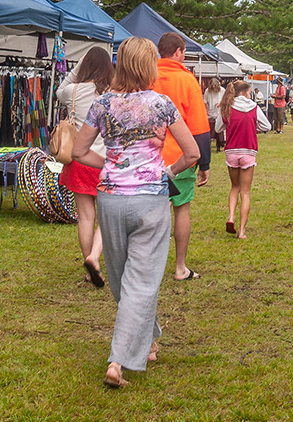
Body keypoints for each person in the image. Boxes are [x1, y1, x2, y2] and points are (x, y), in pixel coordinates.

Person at [73, 37, 200, 388]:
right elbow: (191, 153)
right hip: (150, 200)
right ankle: (119, 359)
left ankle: (148, 340)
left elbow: (79, 151)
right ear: (149, 67)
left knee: (121, 279)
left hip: (110, 200)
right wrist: (167, 172)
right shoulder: (161, 105)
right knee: (141, 282)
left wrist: (113, 164)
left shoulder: (102, 103)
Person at [152, 32, 212, 281]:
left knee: (150, 213)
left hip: (149, 155)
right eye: (184, 51)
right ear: (178, 52)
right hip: (180, 158)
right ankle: (180, 267)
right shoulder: (187, 81)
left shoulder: (146, 76)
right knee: (182, 209)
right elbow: (199, 125)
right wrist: (204, 162)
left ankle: (148, 266)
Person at [56, 47, 114, 287]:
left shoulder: (73, 91)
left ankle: (90, 269)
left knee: (85, 218)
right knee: (107, 217)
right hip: (106, 161)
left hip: (80, 159)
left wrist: (77, 67)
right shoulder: (112, 93)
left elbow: (59, 89)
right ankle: (95, 257)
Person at [216, 80, 271, 239]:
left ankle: (231, 217)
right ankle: (241, 231)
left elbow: (218, 128)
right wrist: (254, 127)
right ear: (244, 93)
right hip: (248, 151)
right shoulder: (254, 107)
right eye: (248, 93)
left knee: (235, 187)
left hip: (232, 151)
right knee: (245, 192)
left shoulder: (227, 107)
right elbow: (266, 126)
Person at [203, 77, 225, 152]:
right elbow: (205, 102)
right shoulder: (207, 91)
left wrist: (221, 104)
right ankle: (207, 147)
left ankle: (219, 147)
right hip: (210, 113)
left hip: (219, 113)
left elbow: (226, 100)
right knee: (209, 132)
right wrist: (206, 110)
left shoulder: (222, 90)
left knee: (219, 131)